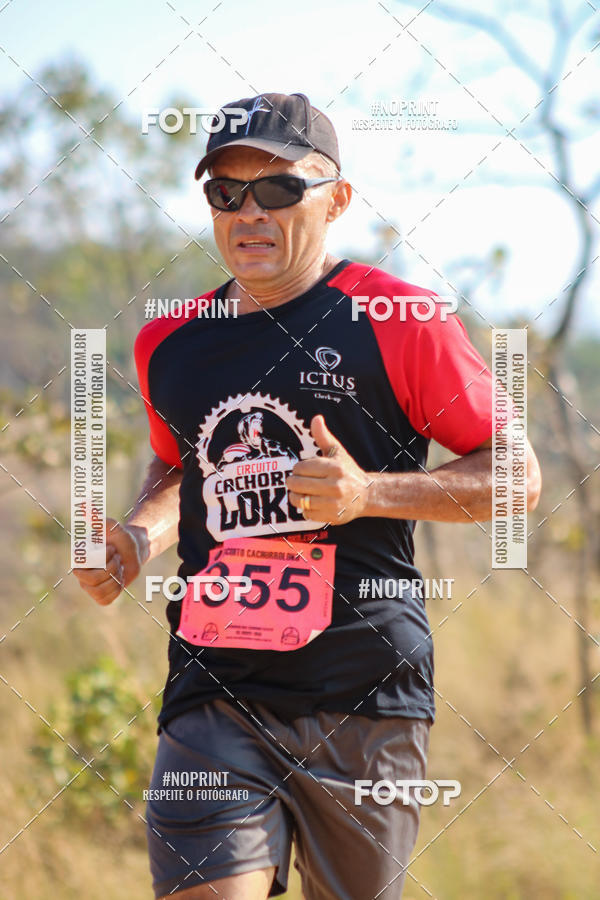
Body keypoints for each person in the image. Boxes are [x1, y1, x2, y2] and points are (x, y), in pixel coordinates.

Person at [73, 92, 541, 899]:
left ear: (338, 200)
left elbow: (517, 477)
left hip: (366, 689)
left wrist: (367, 493)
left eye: (279, 190)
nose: (248, 212)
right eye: (226, 191)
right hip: (215, 688)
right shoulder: (169, 343)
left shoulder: (397, 318)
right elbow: (180, 464)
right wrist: (137, 540)